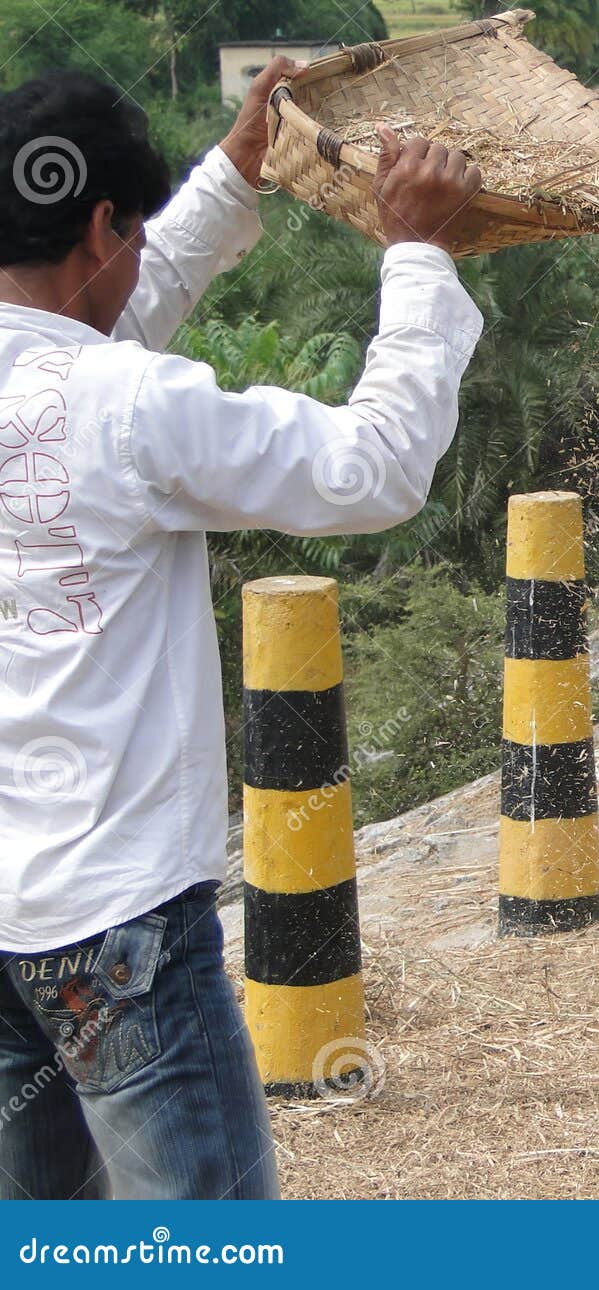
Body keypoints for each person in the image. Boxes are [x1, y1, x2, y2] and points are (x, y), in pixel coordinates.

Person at [0, 61, 483, 1199]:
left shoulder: (76, 377)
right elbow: (370, 472)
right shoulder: (126, 405)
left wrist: (233, 174)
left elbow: (97, 317)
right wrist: (417, 256)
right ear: (104, 222)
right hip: (118, 933)